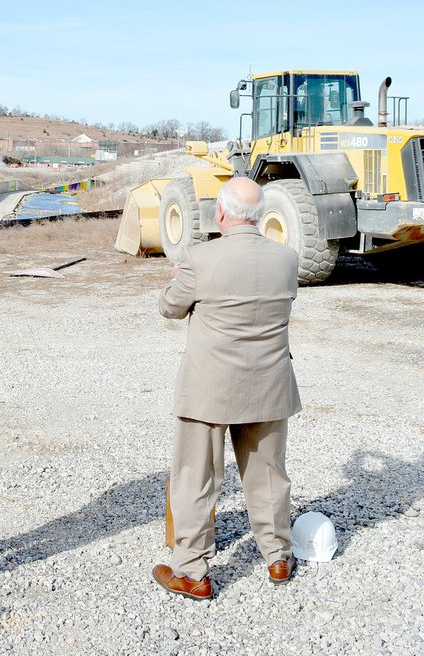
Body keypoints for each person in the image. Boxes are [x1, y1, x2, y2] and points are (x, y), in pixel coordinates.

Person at [152, 176, 301, 600]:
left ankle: (192, 571)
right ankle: (277, 557)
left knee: (195, 479)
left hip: (210, 388)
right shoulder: (287, 258)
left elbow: (169, 308)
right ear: (258, 216)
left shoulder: (199, 258)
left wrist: (178, 277)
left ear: (220, 213)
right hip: (270, 384)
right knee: (269, 474)